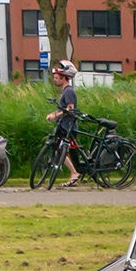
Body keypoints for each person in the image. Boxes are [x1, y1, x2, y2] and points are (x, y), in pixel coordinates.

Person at [44, 59, 83, 187]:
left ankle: (74, 173)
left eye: (57, 78)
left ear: (64, 78)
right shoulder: (64, 91)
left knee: (61, 151)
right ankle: (74, 174)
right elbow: (62, 108)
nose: (54, 80)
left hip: (68, 127)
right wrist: (54, 115)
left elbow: (70, 108)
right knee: (65, 152)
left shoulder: (69, 91)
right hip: (63, 126)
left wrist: (54, 116)